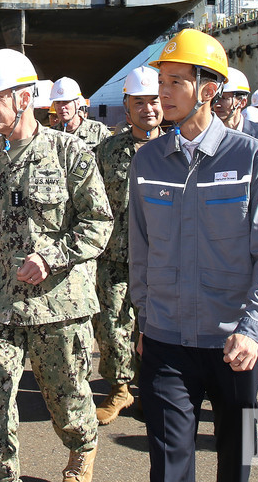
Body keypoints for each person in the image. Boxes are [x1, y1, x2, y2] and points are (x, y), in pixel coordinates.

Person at [129, 29, 258, 482]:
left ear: (209, 88)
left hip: (234, 343)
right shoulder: (147, 162)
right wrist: (145, 321)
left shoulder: (253, 158)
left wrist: (253, 330)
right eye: (161, 80)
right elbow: (140, 250)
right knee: (168, 467)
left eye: (176, 82)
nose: (163, 93)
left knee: (234, 462)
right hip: (165, 342)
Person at [0, 49, 113, 482]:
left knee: (67, 402)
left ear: (24, 99)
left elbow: (99, 222)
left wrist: (52, 256)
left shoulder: (70, 152)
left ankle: (82, 447)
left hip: (57, 305)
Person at [93, 66, 162, 425]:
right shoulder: (106, 151)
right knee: (112, 325)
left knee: (159, 325)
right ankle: (120, 388)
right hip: (116, 256)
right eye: (139, 102)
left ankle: (152, 387)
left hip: (164, 257)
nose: (148, 108)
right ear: (127, 105)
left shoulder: (176, 148)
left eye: (153, 100)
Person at [213, 67, 258, 161]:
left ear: (242, 102)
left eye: (223, 98)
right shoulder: (205, 134)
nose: (217, 104)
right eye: (215, 98)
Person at [50, 76, 111, 149]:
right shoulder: (51, 134)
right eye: (57, 102)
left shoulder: (99, 131)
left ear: (78, 104)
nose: (61, 107)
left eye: (66, 102)